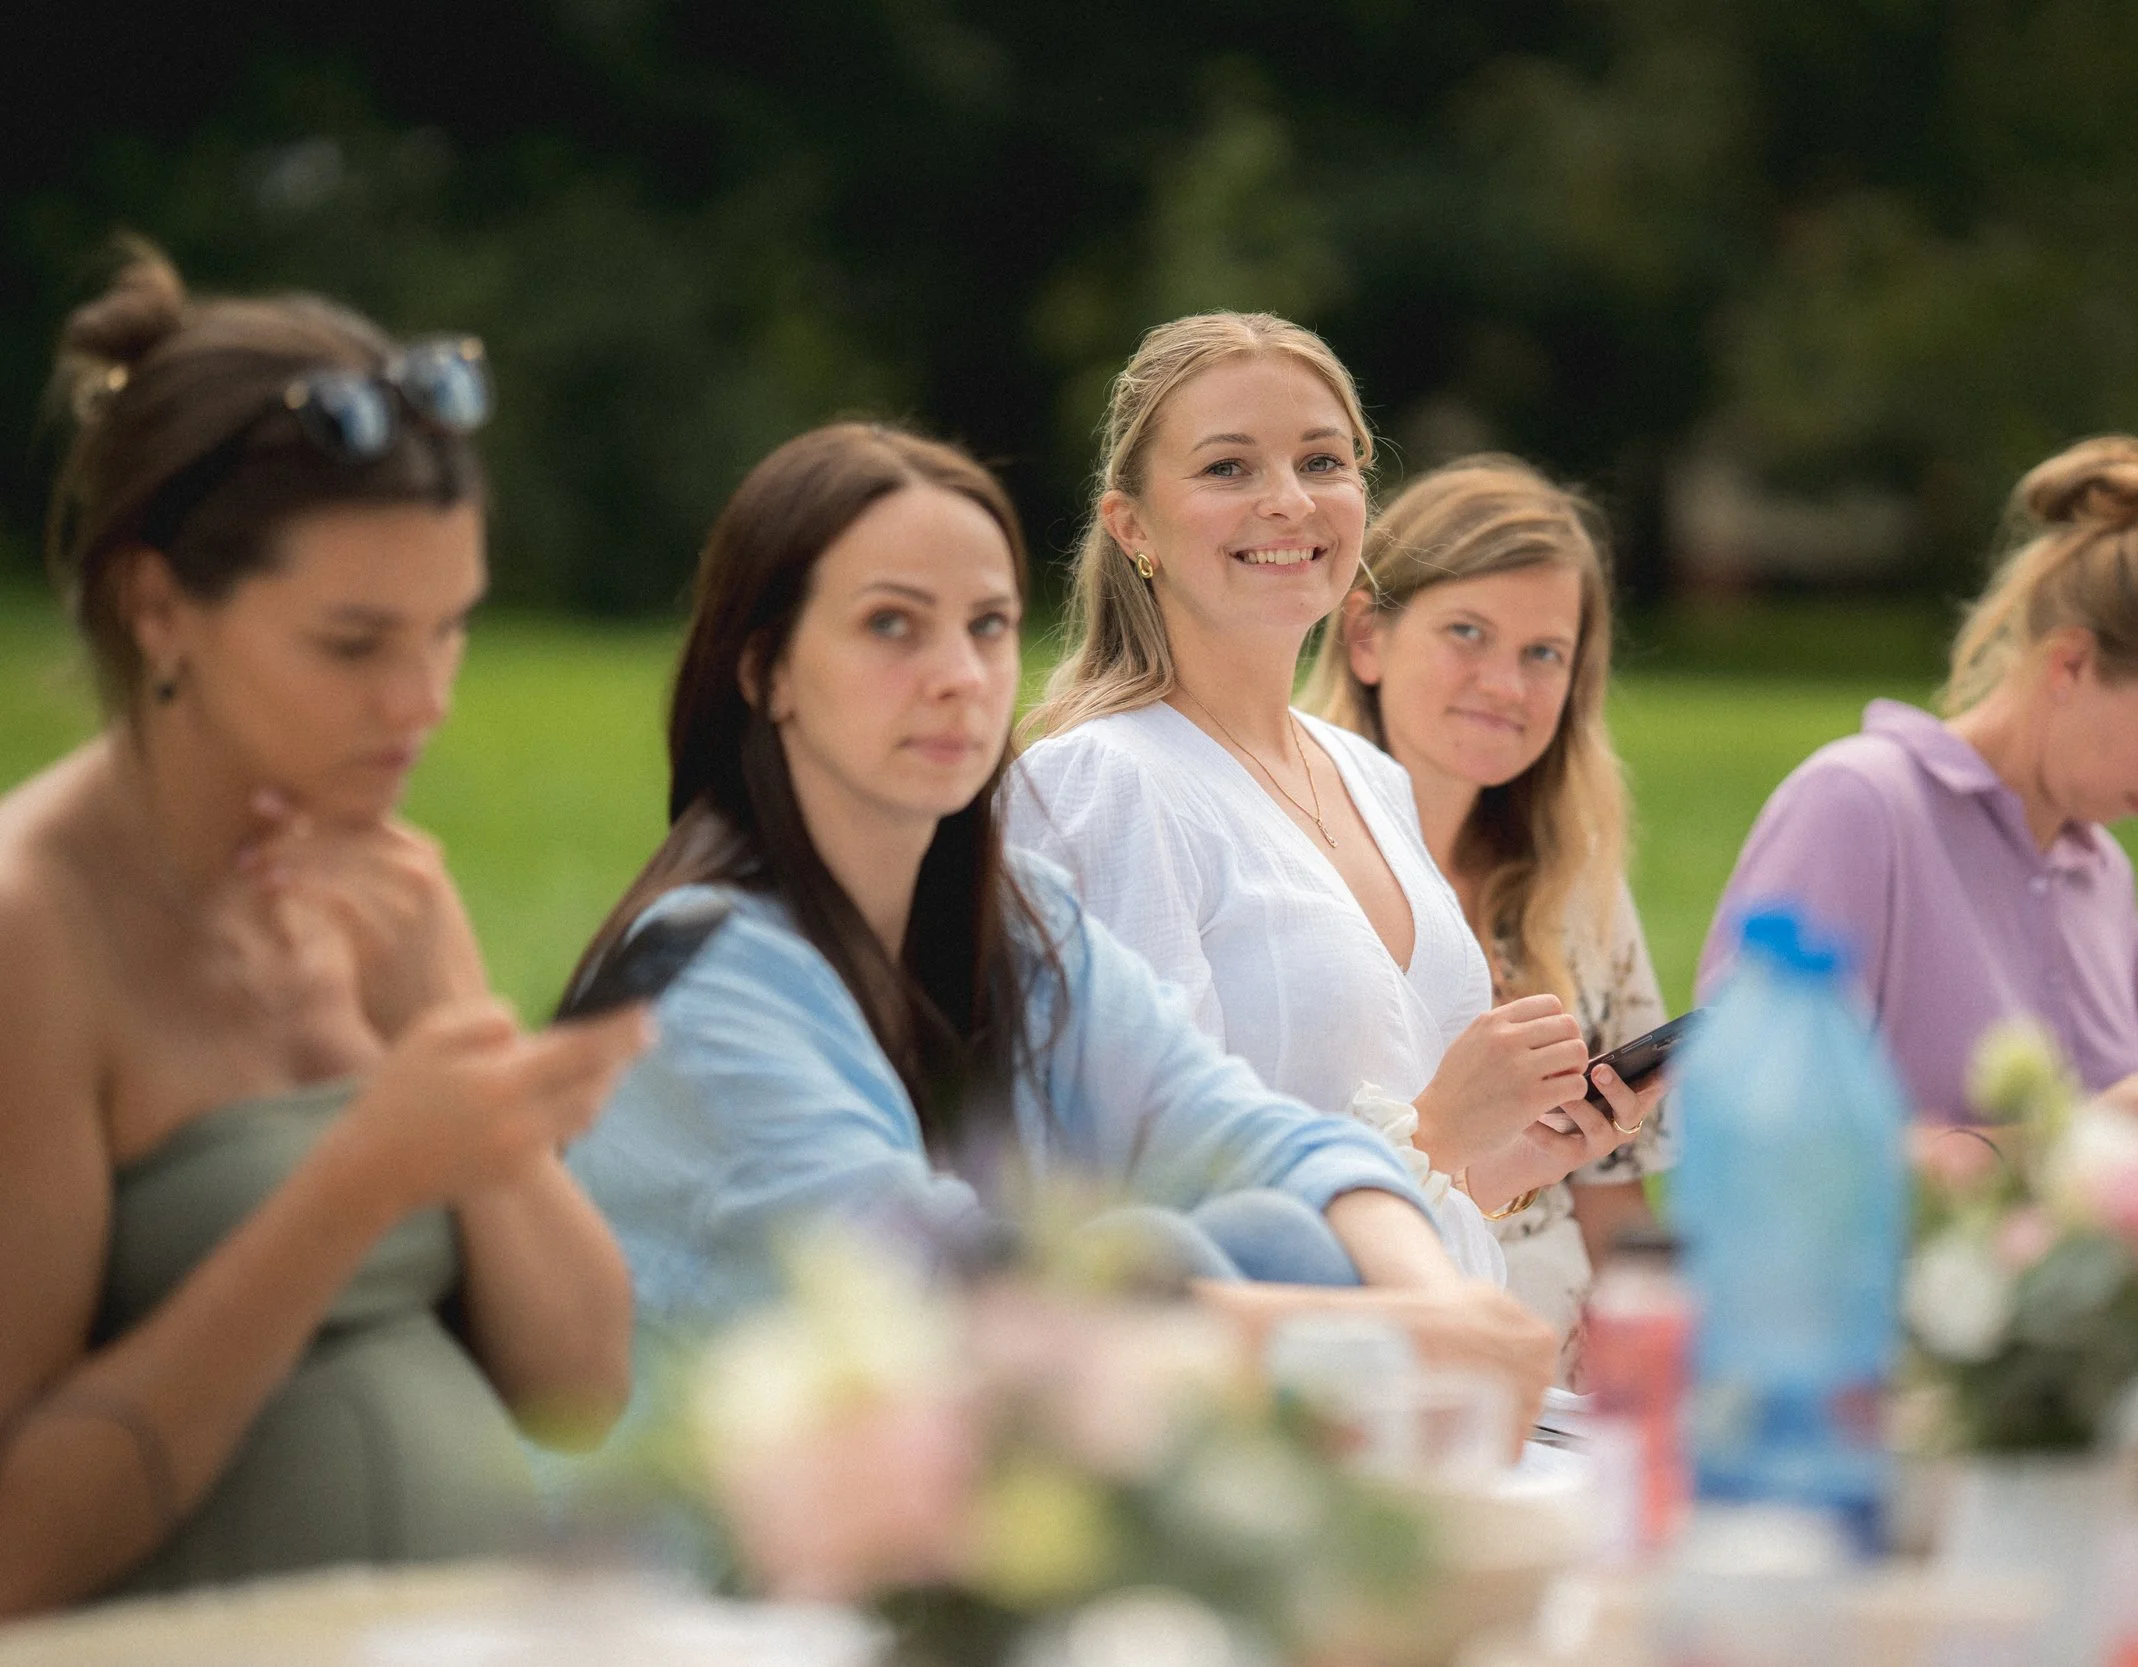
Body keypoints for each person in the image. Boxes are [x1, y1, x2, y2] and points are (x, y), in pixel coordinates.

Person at [561, 421, 1557, 1432]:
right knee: (1239, 1267)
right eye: (893, 626)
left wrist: (1443, 1303)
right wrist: (1382, 1342)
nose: (959, 673)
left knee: (1277, 1232)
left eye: (987, 625)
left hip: (933, 1493)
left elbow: (1239, 1127)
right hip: (698, 1542)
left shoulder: (1018, 922)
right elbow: (940, 1291)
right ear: (765, 668)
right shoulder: (704, 967)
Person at [0, 248, 649, 1615]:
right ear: (157, 602)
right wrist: (354, 1180)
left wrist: (456, 1054)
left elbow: (583, 1383)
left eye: (451, 630)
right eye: (353, 645)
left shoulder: (389, 889)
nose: (422, 701)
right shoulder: (34, 931)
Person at [1007, 313, 1658, 1288]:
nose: (1287, 501)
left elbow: (1403, 1150)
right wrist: (1441, 1130)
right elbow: (1136, 1214)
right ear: (1132, 526)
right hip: (1274, 1413)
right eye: (1229, 468)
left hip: (1437, 1376)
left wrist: (1506, 1157)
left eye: (1321, 460)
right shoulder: (1104, 784)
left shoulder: (1367, 775)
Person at [1700, 435, 2138, 1142]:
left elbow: (2099, 1188)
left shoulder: (2102, 875)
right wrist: (2075, 1145)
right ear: (2070, 663)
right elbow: (1752, 1136)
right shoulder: (1858, 805)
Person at [1303, 454, 1668, 1362]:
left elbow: (1613, 1196)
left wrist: (1654, 1354)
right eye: (1468, 631)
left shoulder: (1577, 885)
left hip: (1567, 1377)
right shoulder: (1290, 865)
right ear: (1366, 638)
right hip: (1378, 1344)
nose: (1507, 683)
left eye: (1544, 653)